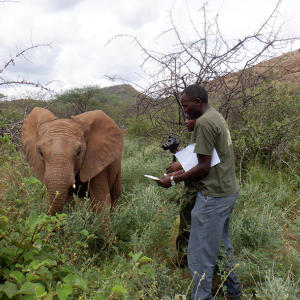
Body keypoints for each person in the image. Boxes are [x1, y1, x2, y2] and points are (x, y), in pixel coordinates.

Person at [157, 84, 241, 300]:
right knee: (222, 248)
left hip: (212, 196)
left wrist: (173, 179)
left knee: (199, 257)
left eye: (186, 106)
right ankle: (233, 294)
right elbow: (208, 157)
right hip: (227, 191)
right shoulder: (215, 116)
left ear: (197, 102)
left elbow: (203, 166)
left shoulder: (204, 122)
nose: (185, 111)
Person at [165, 115, 198, 267]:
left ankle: (183, 262)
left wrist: (175, 175)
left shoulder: (203, 135)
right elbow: (194, 161)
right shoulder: (197, 136)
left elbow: (200, 165)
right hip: (193, 190)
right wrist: (178, 152)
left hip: (195, 191)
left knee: (187, 229)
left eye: (189, 118)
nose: (186, 121)